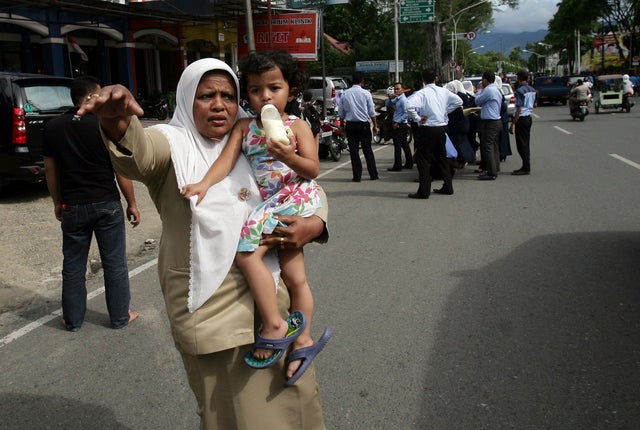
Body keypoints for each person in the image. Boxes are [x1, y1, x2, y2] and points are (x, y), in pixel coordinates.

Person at [78, 58, 329, 428]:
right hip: (217, 317)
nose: (219, 104)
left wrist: (315, 222)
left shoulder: (254, 136)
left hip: (276, 311)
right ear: (185, 99)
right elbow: (140, 156)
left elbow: (300, 185)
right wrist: (117, 123)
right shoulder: (172, 143)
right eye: (206, 95)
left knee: (297, 407)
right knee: (237, 416)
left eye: (228, 95)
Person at [180, 51, 330, 385]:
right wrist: (204, 183)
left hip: (293, 197)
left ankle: (274, 324)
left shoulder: (298, 126)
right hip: (273, 202)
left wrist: (289, 156)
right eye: (255, 89)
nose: (265, 96)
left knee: (247, 254)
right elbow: (225, 161)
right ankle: (303, 340)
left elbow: (313, 169)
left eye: (274, 88)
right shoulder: (245, 128)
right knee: (295, 277)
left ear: (290, 91)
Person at [42, 76, 140, 332]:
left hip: (72, 205)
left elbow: (50, 170)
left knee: (73, 265)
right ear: (91, 95)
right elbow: (121, 168)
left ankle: (72, 320)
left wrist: (57, 201)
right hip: (106, 202)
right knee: (114, 263)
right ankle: (120, 316)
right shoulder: (103, 124)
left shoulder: (53, 127)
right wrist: (132, 203)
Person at [406, 69, 462, 198]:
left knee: (424, 160)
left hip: (428, 128)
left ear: (423, 80)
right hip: (441, 128)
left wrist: (418, 119)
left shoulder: (422, 93)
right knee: (442, 158)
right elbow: (459, 101)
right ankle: (448, 186)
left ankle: (424, 191)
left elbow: (409, 106)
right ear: (435, 78)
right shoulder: (443, 91)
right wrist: (445, 111)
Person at [339, 71, 379, 182]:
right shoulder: (366, 94)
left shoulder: (345, 94)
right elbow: (372, 112)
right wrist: (375, 126)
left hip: (351, 125)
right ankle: (373, 174)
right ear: (362, 81)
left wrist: (342, 126)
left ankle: (357, 176)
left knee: (354, 151)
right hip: (364, 125)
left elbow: (341, 113)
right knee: (368, 150)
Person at [474, 71, 504, 181]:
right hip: (496, 120)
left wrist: (479, 90)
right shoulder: (496, 89)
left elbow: (478, 101)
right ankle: (495, 167)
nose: (482, 82)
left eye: (482, 80)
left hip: (490, 122)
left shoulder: (489, 90)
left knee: (487, 146)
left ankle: (491, 172)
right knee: (494, 146)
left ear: (485, 80)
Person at [509, 70, 537, 175]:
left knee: (521, 145)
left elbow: (519, 108)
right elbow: (535, 104)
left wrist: (513, 124)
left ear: (519, 78)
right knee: (526, 143)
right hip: (528, 117)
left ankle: (526, 167)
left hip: (521, 118)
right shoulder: (532, 89)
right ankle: (526, 165)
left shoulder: (519, 91)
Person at [444, 80, 474, 168]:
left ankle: (465, 159)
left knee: (459, 143)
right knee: (460, 143)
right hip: (461, 123)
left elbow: (463, 107)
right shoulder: (462, 95)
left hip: (459, 123)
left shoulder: (460, 96)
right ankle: (463, 160)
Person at [387, 82, 413, 171]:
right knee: (404, 144)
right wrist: (391, 97)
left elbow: (407, 112)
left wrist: (397, 122)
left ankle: (397, 165)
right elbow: (389, 104)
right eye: (395, 89)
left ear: (402, 89)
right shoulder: (398, 99)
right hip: (399, 123)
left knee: (398, 146)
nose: (396, 90)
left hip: (400, 124)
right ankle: (409, 163)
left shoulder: (403, 100)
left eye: (398, 89)